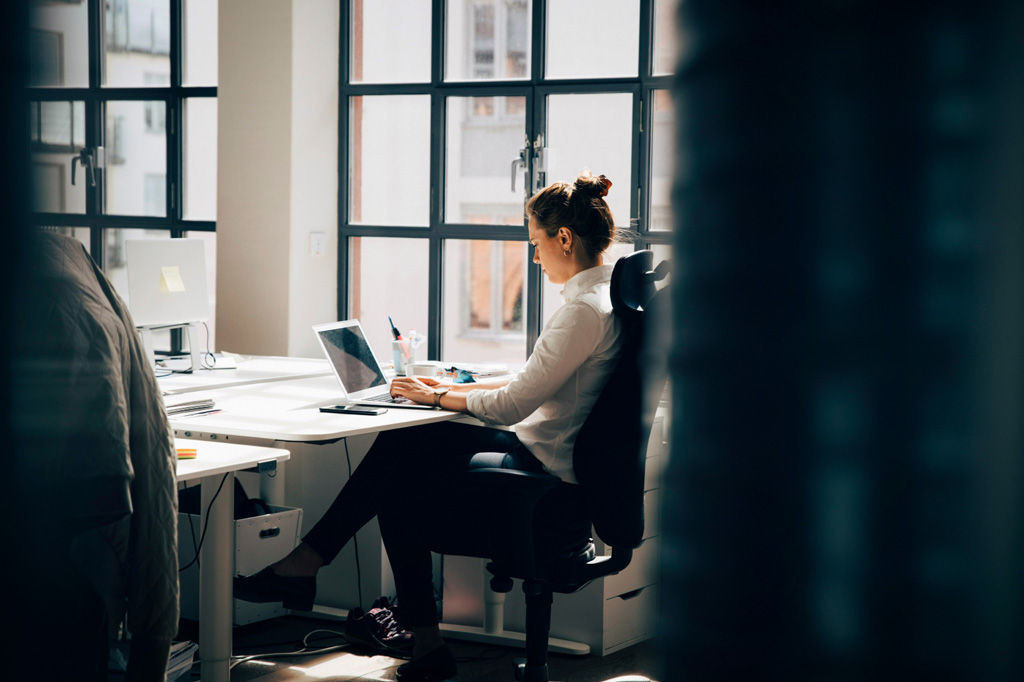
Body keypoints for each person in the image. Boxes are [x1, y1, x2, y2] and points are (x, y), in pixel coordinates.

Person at [235, 170, 623, 681]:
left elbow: (510, 407)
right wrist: (450, 391)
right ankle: (317, 570)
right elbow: (535, 381)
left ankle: (323, 574)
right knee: (411, 438)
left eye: (535, 243)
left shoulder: (581, 313)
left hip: (544, 479)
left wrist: (441, 394)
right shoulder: (609, 299)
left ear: (564, 239)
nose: (534, 257)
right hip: (553, 459)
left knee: (398, 490)